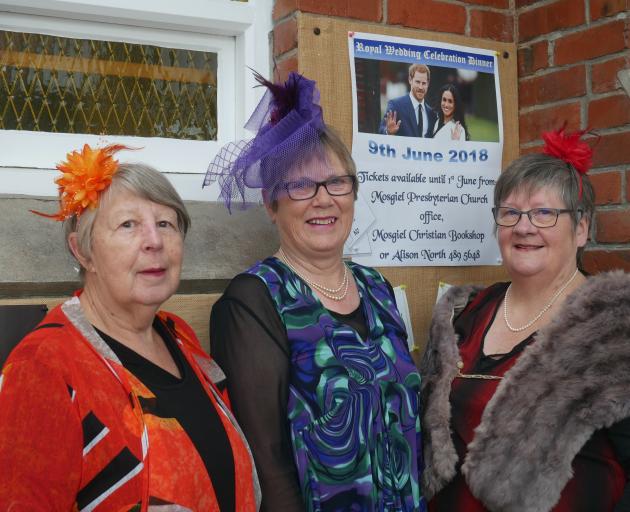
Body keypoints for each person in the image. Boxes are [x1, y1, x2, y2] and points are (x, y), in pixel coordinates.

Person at [206, 72, 426, 511]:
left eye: (337, 182)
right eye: (301, 186)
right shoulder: (254, 301)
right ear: (272, 203)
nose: (323, 199)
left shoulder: (376, 287)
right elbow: (264, 460)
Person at [0, 144, 260, 511]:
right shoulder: (45, 365)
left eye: (166, 224)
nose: (154, 241)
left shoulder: (178, 336)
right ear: (82, 252)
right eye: (128, 225)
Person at [420, 128, 630, 512]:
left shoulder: (615, 328)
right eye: (510, 212)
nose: (523, 226)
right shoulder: (465, 313)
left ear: (581, 228)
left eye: (544, 212)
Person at [380, 64, 437, 138]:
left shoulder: (432, 114)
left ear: (428, 84)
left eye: (424, 83)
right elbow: (381, 131)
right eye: (417, 82)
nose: (420, 87)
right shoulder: (396, 105)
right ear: (410, 80)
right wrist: (388, 132)